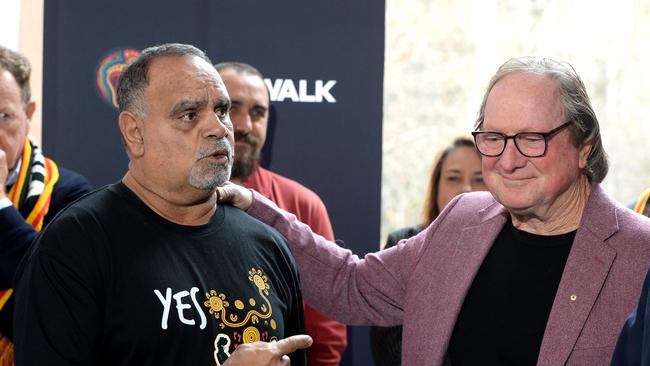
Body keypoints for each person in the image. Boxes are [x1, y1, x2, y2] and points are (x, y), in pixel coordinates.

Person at [217, 56, 650, 365]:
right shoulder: (463, 219)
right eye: (494, 137)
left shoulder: (640, 252)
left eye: (532, 138)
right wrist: (253, 205)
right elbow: (352, 285)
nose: (509, 159)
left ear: (584, 147)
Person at [13, 43, 311, 366]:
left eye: (221, 110)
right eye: (189, 114)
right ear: (134, 132)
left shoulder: (270, 246)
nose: (219, 128)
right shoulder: (73, 247)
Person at [215, 61, 347, 366]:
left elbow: (325, 333)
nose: (246, 125)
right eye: (232, 108)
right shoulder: (166, 201)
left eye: (258, 113)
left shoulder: (302, 205)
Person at [0, 45, 92, 363]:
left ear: (28, 114)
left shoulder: (68, 193)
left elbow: (54, 294)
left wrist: (0, 206)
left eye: (3, 116)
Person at [369, 136, 486, 366]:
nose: (466, 189)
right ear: (436, 186)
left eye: (479, 179)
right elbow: (387, 342)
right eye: (453, 178)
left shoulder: (507, 247)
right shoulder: (403, 242)